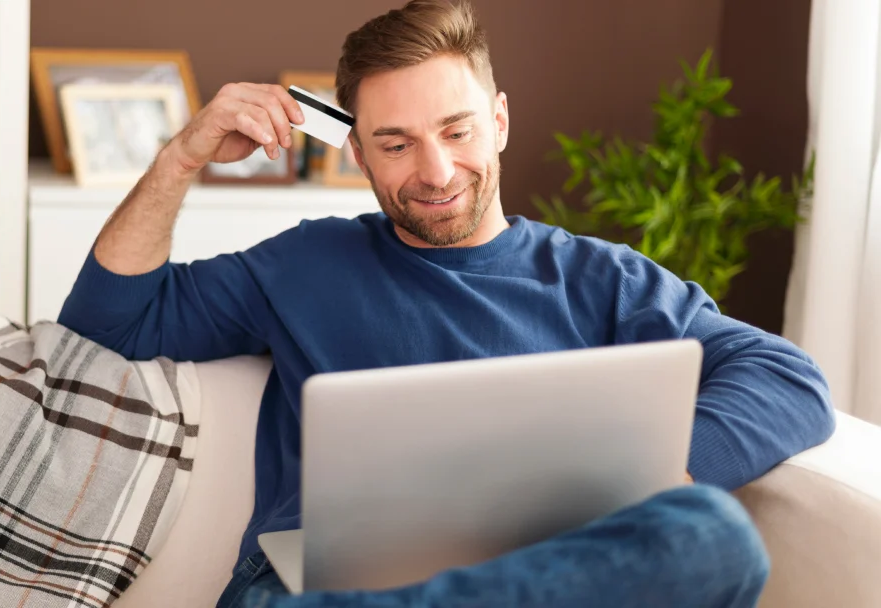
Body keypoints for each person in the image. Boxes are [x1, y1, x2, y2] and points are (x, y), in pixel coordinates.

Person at [57, 1, 835, 605]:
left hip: (536, 570)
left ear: (498, 121)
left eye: (457, 131)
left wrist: (624, 496)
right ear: (356, 151)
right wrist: (183, 155)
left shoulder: (602, 280)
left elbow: (788, 380)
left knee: (716, 538)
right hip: (329, 586)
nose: (435, 171)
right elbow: (105, 322)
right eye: (395, 144)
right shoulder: (306, 263)